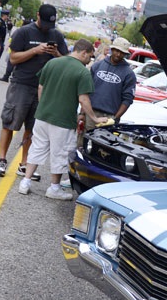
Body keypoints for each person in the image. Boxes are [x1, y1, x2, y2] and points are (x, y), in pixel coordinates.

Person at [17, 39, 109, 199]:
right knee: (59, 153)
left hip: (43, 115)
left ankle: (25, 182)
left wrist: (43, 105)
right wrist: (94, 117)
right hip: (63, 120)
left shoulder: (53, 63)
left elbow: (41, 86)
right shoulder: (82, 72)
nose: (90, 60)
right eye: (90, 56)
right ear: (84, 52)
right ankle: (54, 188)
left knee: (37, 148)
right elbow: (83, 99)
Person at [0, 3, 69, 180]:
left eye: (51, 25)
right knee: (10, 122)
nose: (47, 29)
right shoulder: (24, 32)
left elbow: (66, 60)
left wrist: (56, 52)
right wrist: (35, 50)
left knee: (32, 128)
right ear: (37, 16)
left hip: (44, 88)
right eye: (45, 24)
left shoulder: (56, 34)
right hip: (21, 85)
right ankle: (2, 160)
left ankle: (24, 163)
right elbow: (13, 58)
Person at [86, 37, 136, 131]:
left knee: (101, 145)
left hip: (110, 117)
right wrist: (82, 113)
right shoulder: (97, 65)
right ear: (112, 49)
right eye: (116, 50)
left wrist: (114, 118)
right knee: (82, 143)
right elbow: (86, 91)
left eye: (122, 52)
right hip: (90, 113)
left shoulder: (129, 74)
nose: (118, 54)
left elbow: (127, 100)